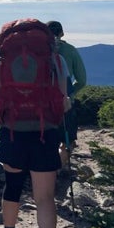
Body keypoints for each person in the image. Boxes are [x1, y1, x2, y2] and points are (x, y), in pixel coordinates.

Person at [0, 19, 71, 228]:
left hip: (12, 130)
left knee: (12, 187)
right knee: (45, 197)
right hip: (45, 132)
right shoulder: (56, 60)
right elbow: (63, 99)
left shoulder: (1, 61)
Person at [46, 20, 87, 162]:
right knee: (66, 139)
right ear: (62, 33)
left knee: (46, 138)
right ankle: (60, 167)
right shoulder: (70, 50)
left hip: (42, 103)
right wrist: (70, 93)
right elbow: (82, 80)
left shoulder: (36, 51)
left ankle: (45, 169)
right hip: (65, 102)